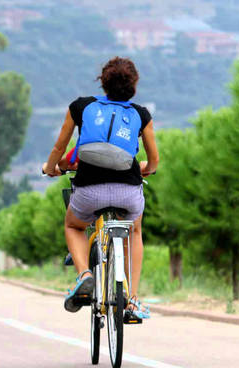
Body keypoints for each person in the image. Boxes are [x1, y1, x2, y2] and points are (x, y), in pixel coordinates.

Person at [42, 57, 159, 320]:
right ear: (134, 86)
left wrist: (51, 168)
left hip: (88, 192)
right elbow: (154, 160)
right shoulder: (141, 115)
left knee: (73, 225)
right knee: (135, 230)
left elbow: (60, 148)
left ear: (103, 82)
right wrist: (147, 168)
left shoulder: (81, 107)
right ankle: (132, 300)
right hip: (128, 191)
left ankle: (84, 274)